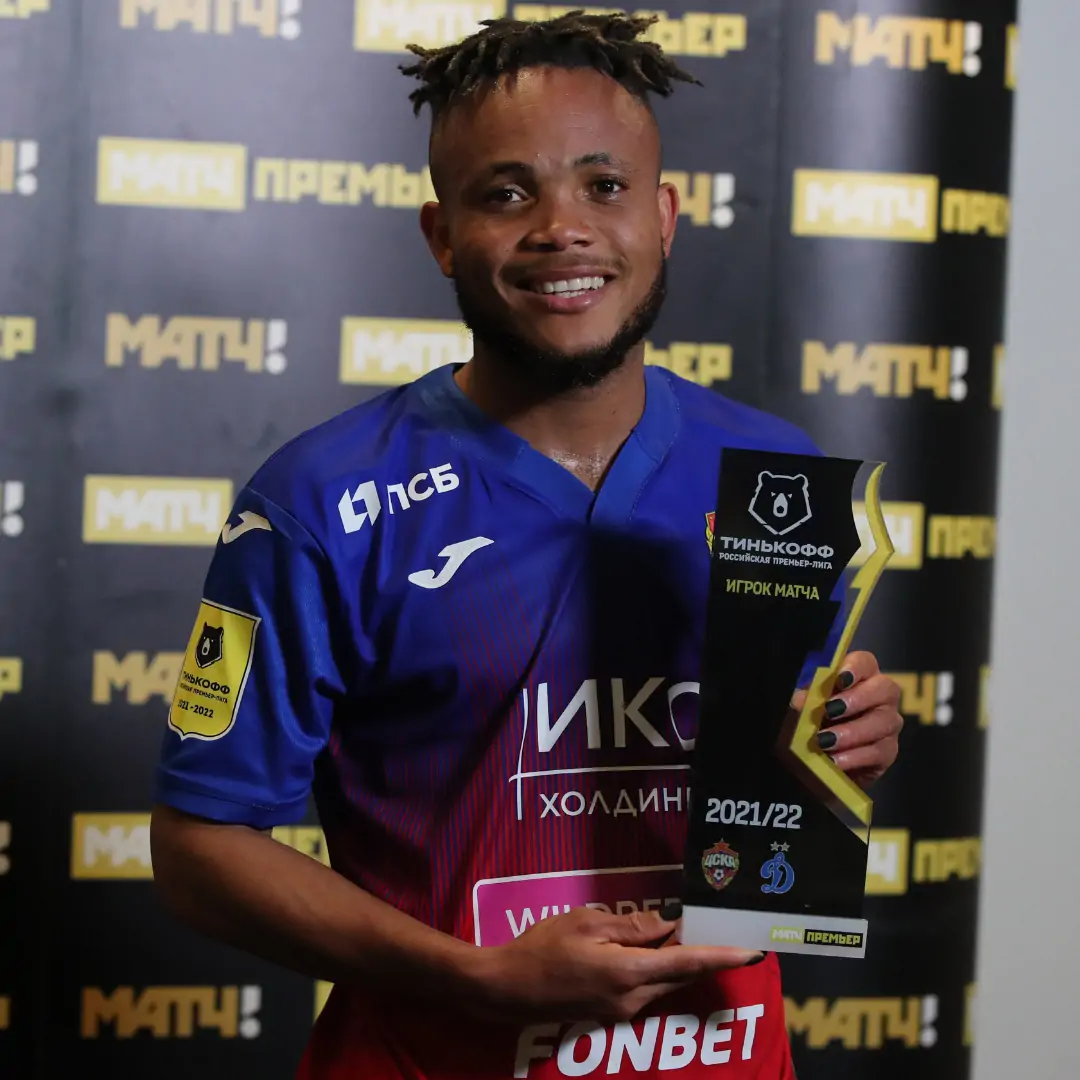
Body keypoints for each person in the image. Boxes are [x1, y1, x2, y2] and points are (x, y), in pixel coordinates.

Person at [149, 12, 903, 1079]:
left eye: (605, 185)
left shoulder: (774, 474)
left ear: (665, 216)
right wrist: (476, 977)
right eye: (507, 194)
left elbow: (781, 803)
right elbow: (198, 852)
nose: (563, 228)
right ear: (441, 234)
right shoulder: (320, 500)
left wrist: (846, 741)